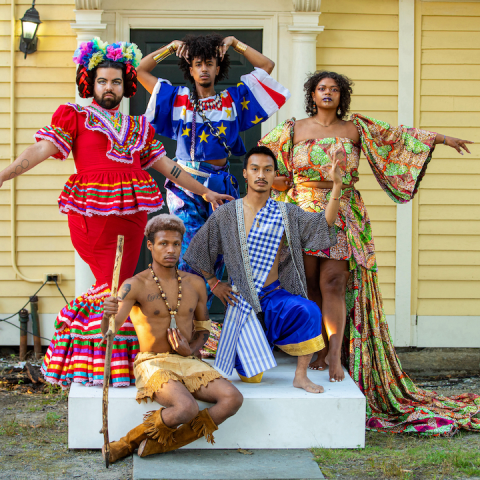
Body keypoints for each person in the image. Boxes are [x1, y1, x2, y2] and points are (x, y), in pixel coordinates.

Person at [0, 38, 232, 388]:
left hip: (132, 215)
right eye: (102, 81)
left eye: (116, 82)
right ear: (90, 84)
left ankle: (118, 367)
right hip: (92, 213)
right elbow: (40, 150)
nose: (109, 87)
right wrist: (5, 174)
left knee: (121, 284)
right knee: (107, 283)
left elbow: (170, 168)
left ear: (126, 86)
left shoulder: (139, 128)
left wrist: (206, 192)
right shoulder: (75, 116)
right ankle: (95, 367)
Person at [259, 70, 480, 434]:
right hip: (302, 210)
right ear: (312, 95)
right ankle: (313, 347)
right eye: (321, 88)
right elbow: (265, 164)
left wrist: (442, 138)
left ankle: (333, 354)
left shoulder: (355, 129)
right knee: (310, 284)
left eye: (334, 89)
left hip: (343, 209)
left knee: (333, 283)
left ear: (341, 96)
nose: (327, 93)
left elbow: (399, 137)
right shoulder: (292, 129)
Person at [137, 33, 290, 310]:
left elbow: (266, 66)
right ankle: (183, 319)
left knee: (219, 255)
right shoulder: (176, 98)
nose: (204, 69)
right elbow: (140, 70)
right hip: (186, 184)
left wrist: (233, 44)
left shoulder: (233, 99)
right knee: (190, 252)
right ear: (190, 69)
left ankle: (201, 320)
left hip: (223, 185)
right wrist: (171, 47)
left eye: (209, 63)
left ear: (218, 68)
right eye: (198, 64)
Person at [183, 146, 341, 393]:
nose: (261, 175)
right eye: (255, 169)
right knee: (251, 378)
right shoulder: (227, 214)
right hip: (242, 302)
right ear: (245, 173)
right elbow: (198, 250)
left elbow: (322, 225)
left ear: (274, 174)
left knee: (309, 309)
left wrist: (337, 187)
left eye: (267, 170)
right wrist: (214, 282)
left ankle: (301, 376)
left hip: (275, 295)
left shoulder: (285, 212)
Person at [101, 214, 242, 463]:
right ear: (150, 246)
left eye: (176, 244)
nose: (170, 250)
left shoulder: (196, 283)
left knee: (233, 399)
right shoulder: (133, 285)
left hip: (188, 361)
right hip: (152, 362)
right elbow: (108, 331)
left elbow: (203, 329)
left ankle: (163, 445)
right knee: (185, 408)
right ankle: (125, 443)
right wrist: (107, 313)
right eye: (163, 243)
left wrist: (192, 350)